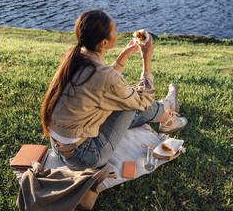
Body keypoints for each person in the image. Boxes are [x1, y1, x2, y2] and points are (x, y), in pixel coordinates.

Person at [41, 9, 187, 170]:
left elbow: (99, 85)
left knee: (124, 96)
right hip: (84, 157)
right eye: (115, 29)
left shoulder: (74, 58)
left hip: (61, 148)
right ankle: (167, 118)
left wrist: (122, 58)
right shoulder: (104, 76)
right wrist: (147, 59)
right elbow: (142, 102)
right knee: (132, 103)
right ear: (104, 42)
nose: (118, 31)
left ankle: (165, 111)